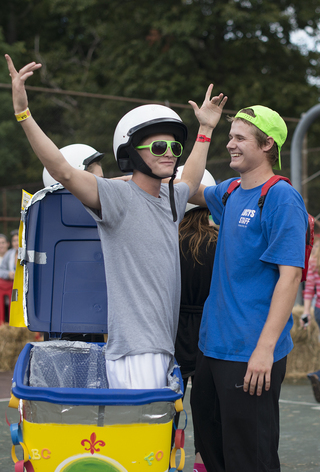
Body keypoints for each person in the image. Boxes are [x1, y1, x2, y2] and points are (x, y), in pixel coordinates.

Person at [5, 54, 227, 389]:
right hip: (136, 352)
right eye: (160, 145)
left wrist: (206, 129)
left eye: (174, 146)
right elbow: (63, 171)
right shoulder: (115, 197)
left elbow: (192, 178)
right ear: (134, 153)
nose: (170, 152)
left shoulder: (171, 198)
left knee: (159, 440)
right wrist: (24, 114)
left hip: (162, 348)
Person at [188, 105, 308, 471]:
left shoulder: (281, 198)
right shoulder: (231, 192)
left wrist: (265, 350)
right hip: (212, 348)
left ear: (267, 144)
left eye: (240, 138)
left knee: (250, 460)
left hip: (250, 353)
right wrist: (205, 130)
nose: (231, 145)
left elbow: (290, 277)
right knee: (213, 453)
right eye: (230, 137)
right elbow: (186, 189)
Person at [174, 167, 218, 472]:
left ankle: (161, 459)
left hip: (171, 328)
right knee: (207, 411)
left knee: (166, 407)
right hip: (209, 328)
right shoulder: (221, 243)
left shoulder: (168, 240)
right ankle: (203, 464)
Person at [300, 235, 320, 330]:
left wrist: (306, 311)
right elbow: (309, 289)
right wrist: (306, 311)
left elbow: (309, 289)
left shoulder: (314, 261)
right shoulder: (314, 262)